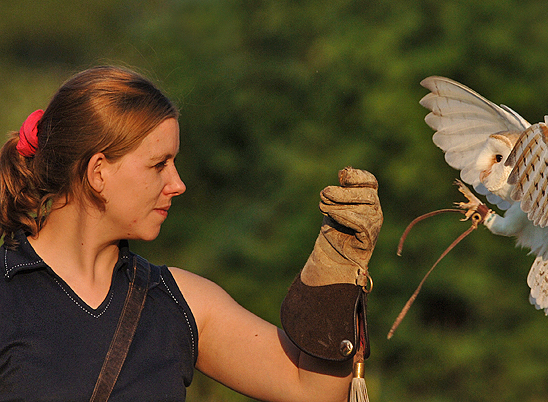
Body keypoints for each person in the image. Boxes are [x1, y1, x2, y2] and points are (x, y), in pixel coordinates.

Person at [0, 65, 383, 401]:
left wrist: (334, 272)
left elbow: (312, 391)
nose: (178, 183)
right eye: (159, 164)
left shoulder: (181, 303)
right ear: (99, 171)